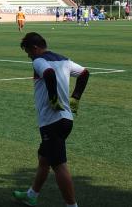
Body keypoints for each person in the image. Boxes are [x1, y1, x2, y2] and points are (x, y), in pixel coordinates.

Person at [13, 32, 90, 207]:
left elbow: (48, 73)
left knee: (59, 166)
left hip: (52, 122)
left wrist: (53, 98)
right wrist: (75, 97)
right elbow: (85, 73)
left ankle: (72, 206)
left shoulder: (39, 61)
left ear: (35, 48)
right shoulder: (64, 60)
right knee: (44, 158)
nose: (29, 57)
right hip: (65, 119)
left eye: (28, 52)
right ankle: (32, 195)